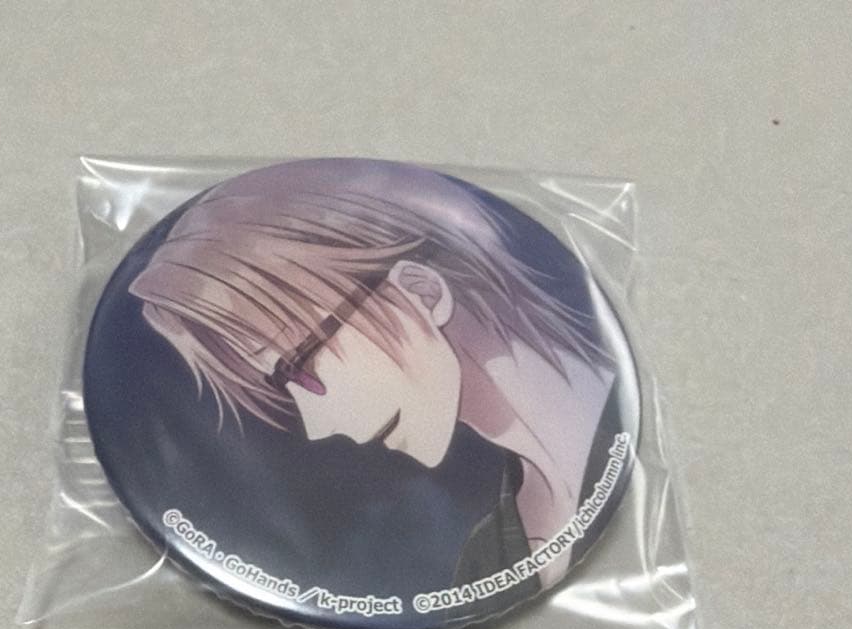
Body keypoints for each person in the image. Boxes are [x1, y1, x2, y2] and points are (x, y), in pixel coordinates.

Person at [129, 158, 623, 589]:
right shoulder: (487, 557)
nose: (319, 427)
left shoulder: (625, 431)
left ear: (422, 291)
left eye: (298, 365)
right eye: (284, 384)